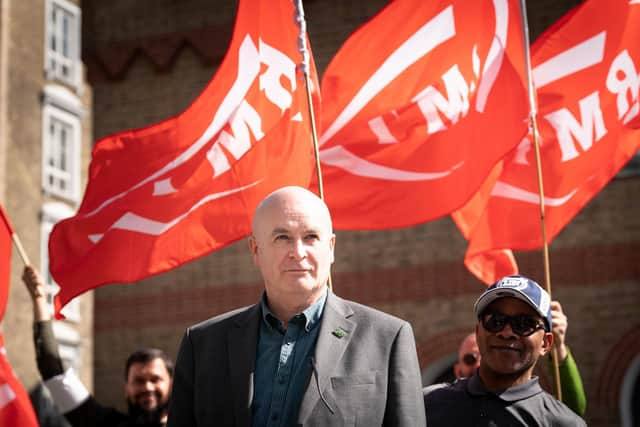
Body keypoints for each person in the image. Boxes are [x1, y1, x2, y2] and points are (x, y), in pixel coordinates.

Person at [167, 186, 426, 426]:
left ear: (331, 247)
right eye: (282, 237)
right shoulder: (202, 345)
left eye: (311, 237)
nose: (298, 252)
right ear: (255, 250)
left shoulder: (387, 338)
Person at [424, 274, 586, 426]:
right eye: (495, 321)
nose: (507, 332)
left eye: (523, 324)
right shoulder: (426, 404)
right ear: (478, 332)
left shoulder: (563, 422)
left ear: (545, 343)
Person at [22, 265, 174, 427]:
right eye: (138, 381)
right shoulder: (106, 423)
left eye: (155, 379)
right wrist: (39, 298)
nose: (147, 387)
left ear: (172, 384)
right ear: (127, 388)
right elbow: (54, 373)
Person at [449, 302, 587, 416]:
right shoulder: (435, 405)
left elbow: (572, 410)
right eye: (470, 358)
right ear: (457, 370)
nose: (479, 362)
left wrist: (558, 349)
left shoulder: (543, 413)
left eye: (522, 324)